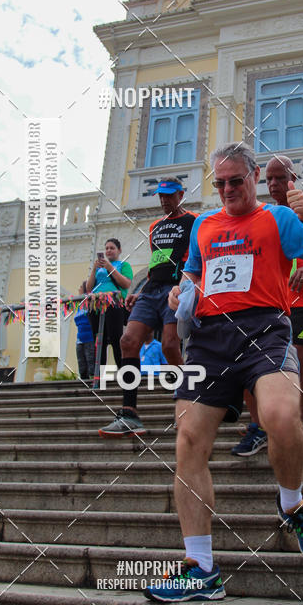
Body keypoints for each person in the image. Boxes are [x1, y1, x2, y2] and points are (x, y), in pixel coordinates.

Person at [143, 142, 303, 603]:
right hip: (211, 339)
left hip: (266, 329)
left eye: (236, 180)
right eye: (221, 183)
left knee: (280, 415)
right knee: (188, 440)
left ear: (253, 177)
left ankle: (292, 505)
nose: (228, 189)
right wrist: (180, 293)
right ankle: (202, 570)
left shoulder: (281, 218)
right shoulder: (205, 226)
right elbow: (194, 273)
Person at [231, 155, 303, 456]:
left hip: (302, 300)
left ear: (293, 177)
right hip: (269, 302)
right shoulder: (265, 215)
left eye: (281, 178)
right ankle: (258, 427)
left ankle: (296, 428)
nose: (274, 184)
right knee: (249, 362)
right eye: (269, 179)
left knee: (297, 364)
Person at [99, 180, 196, 437]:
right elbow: (157, 264)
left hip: (175, 289)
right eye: (160, 196)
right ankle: (129, 412)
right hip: (151, 290)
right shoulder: (155, 227)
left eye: (169, 195)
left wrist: (186, 287)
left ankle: (187, 404)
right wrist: (141, 291)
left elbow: (195, 258)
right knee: (128, 341)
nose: (164, 200)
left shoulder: (193, 221)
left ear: (180, 195)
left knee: (169, 346)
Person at [86, 238, 133, 372]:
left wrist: (110, 268)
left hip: (114, 304)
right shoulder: (99, 268)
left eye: (112, 248)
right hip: (96, 304)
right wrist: (94, 270)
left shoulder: (123, 265)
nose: (108, 250)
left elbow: (126, 284)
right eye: (106, 248)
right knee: (98, 340)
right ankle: (98, 374)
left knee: (116, 338)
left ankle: (122, 371)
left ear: (119, 250)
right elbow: (89, 288)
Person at [74, 281, 95, 380]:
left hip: (89, 337)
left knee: (90, 361)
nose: (78, 289)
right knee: (81, 363)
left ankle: (93, 380)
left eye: (80, 287)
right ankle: (84, 380)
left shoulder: (90, 302)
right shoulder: (79, 305)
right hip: (80, 338)